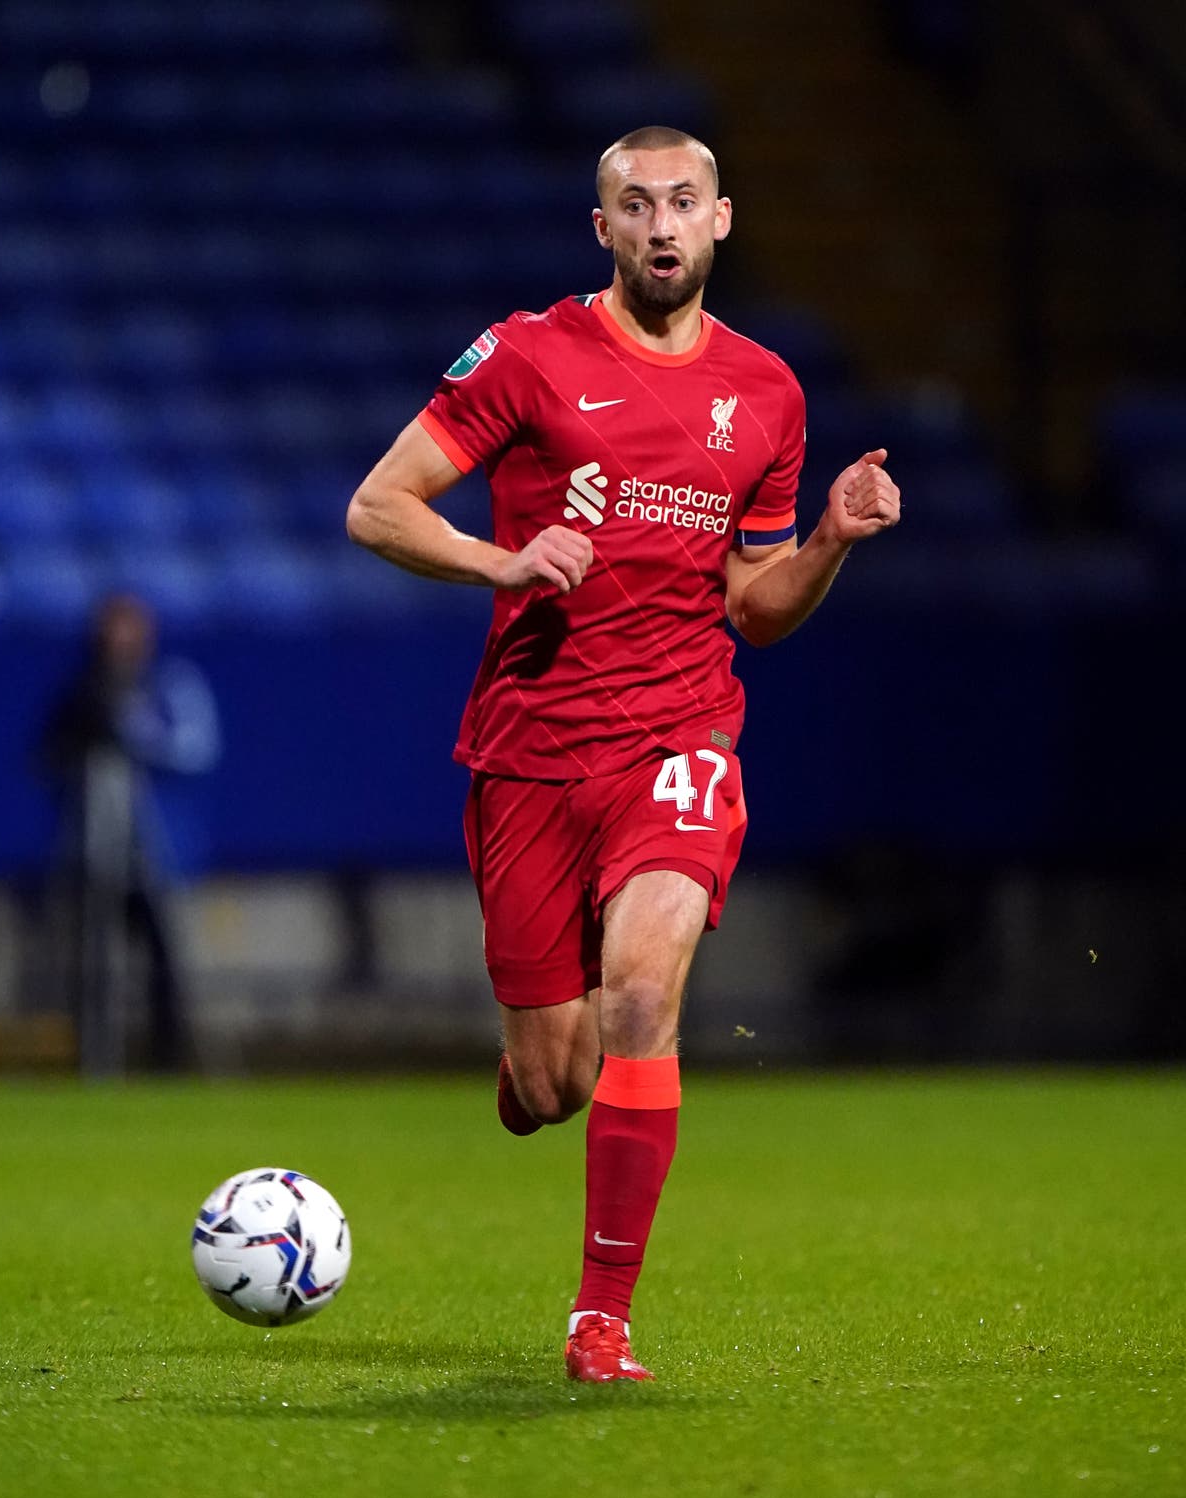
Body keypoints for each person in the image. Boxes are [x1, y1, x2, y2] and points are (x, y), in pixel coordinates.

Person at [346, 125, 901, 1382]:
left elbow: (753, 606)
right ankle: (531, 1074)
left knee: (645, 996)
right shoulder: (530, 355)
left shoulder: (767, 392)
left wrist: (828, 540)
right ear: (602, 229)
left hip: (680, 732)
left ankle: (602, 1320)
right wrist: (506, 561)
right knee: (557, 1084)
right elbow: (377, 505)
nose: (661, 223)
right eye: (635, 204)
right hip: (534, 751)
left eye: (683, 201)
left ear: (719, 221)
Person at [39, 593, 221, 1074]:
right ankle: (91, 1055)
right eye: (118, 628)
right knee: (91, 956)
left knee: (161, 955)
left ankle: (167, 1058)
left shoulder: (161, 687)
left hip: (146, 850)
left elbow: (194, 748)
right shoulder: (84, 692)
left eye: (134, 628)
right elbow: (50, 753)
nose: (127, 639)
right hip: (93, 848)